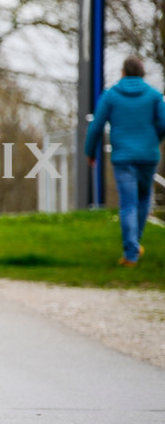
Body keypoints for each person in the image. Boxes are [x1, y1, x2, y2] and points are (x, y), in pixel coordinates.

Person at [84, 55, 165, 266]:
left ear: (123, 72)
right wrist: (153, 140)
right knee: (143, 199)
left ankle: (131, 252)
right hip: (148, 156)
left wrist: (90, 152)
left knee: (128, 203)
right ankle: (134, 244)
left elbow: (96, 126)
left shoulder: (110, 96)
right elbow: (164, 123)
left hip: (123, 158)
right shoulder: (154, 95)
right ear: (142, 73)